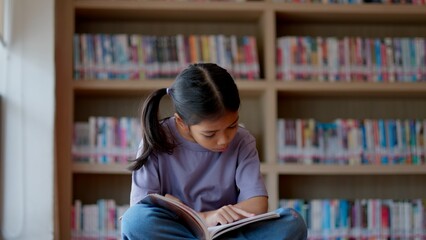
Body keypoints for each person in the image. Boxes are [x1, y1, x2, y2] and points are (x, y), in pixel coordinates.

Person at [121, 63, 307, 240]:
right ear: (182, 123)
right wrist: (204, 217)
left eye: (232, 126)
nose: (224, 140)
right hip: (177, 232)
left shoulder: (243, 141)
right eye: (210, 134)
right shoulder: (155, 139)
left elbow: (257, 204)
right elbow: (141, 208)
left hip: (227, 233)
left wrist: (212, 218)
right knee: (135, 220)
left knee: (292, 221)